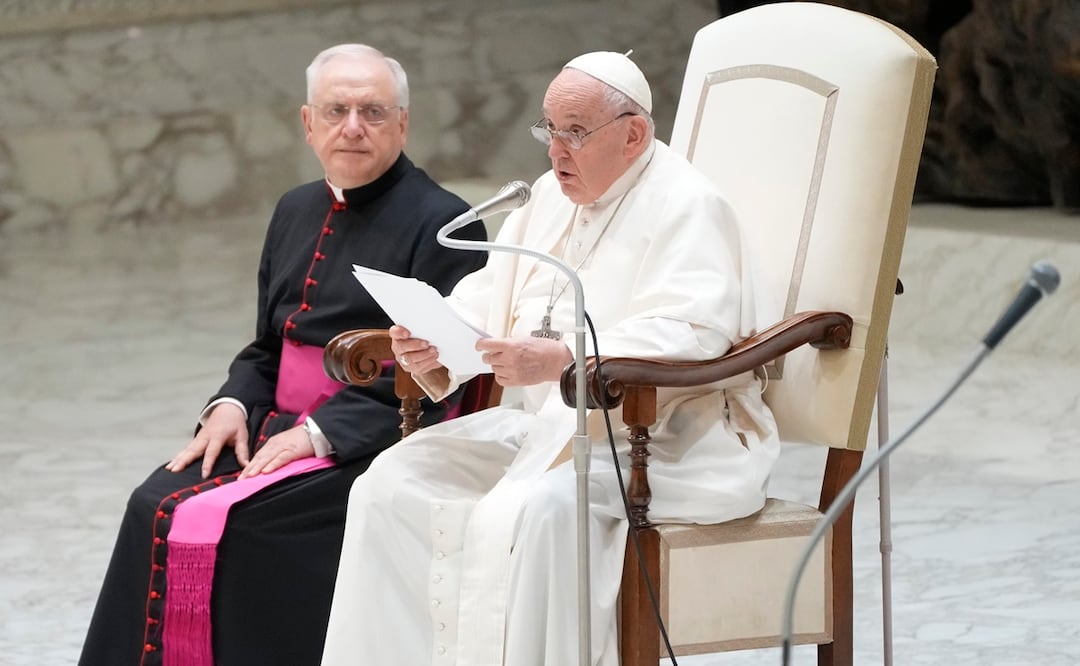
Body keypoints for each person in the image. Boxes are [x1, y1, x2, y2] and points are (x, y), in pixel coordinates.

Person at [321, 51, 780, 666]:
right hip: (548, 431)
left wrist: (565, 360)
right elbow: (491, 295)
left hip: (662, 440)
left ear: (633, 134)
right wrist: (438, 338)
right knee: (389, 482)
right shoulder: (547, 196)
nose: (554, 151)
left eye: (574, 133)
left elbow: (690, 334)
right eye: (549, 129)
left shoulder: (687, 205)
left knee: (541, 511)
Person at [79, 44, 487, 666]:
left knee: (241, 528)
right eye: (337, 109)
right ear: (308, 123)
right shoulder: (294, 207)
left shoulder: (445, 223)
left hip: (375, 439)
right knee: (149, 504)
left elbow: (443, 377)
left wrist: (319, 434)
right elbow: (269, 343)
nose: (353, 126)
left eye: (373, 112)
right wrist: (231, 403)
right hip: (270, 426)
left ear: (403, 123)